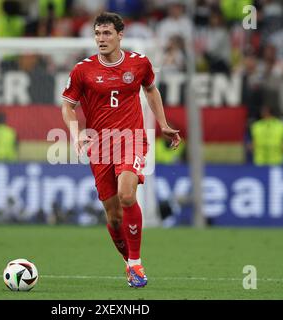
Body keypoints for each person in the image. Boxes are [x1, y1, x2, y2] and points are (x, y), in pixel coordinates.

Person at [61, 12, 181, 288]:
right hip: (100, 146)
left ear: (119, 36)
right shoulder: (83, 70)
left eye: (107, 34)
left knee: (127, 195)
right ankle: (129, 262)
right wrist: (76, 133)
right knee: (114, 217)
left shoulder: (139, 64)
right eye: (97, 34)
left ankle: (136, 262)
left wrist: (162, 123)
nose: (101, 39)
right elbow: (67, 105)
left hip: (132, 139)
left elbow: (151, 90)